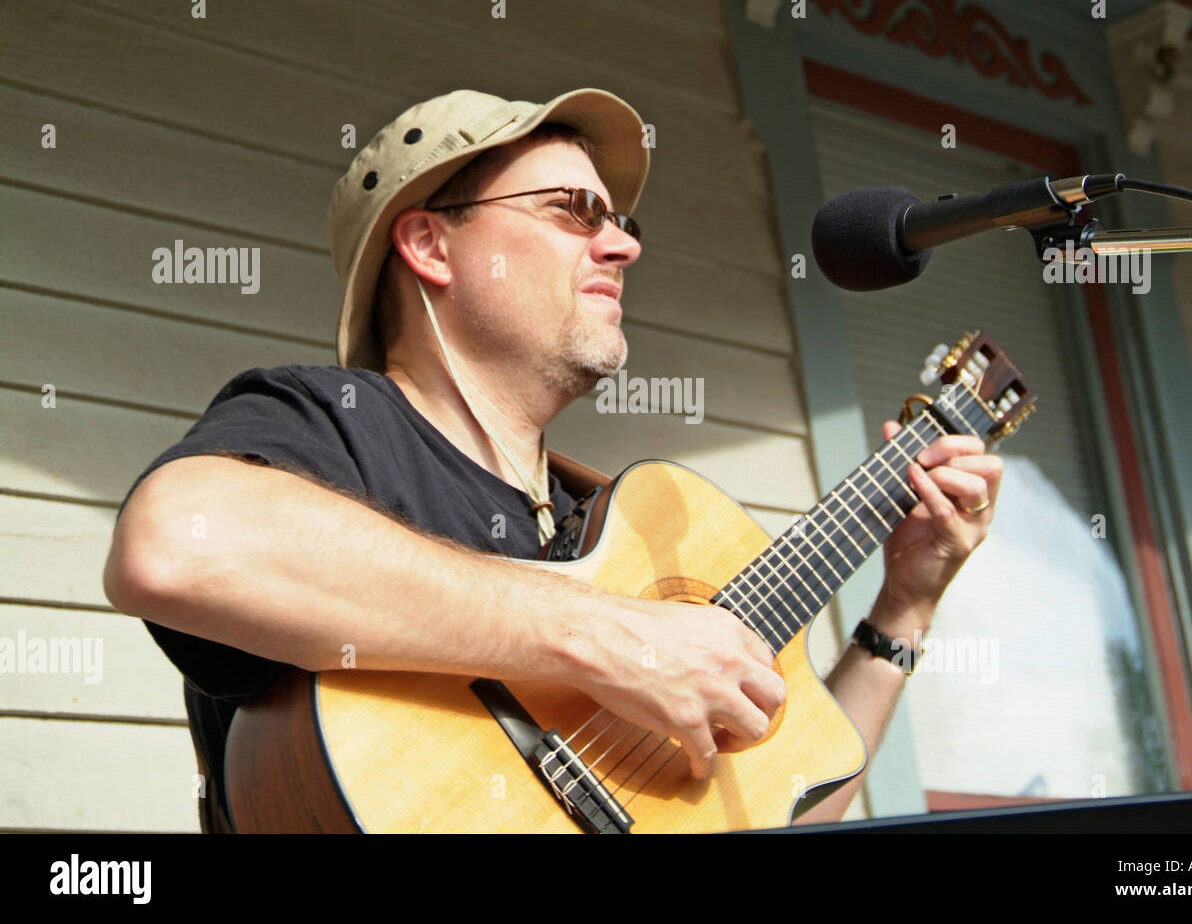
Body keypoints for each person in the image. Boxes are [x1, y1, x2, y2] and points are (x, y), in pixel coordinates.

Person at [103, 88, 1003, 833]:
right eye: (573, 210)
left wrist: (905, 607)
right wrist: (608, 640)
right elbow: (177, 543)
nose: (623, 243)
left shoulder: (604, 523)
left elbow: (780, 809)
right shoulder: (336, 425)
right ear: (429, 246)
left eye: (620, 219)